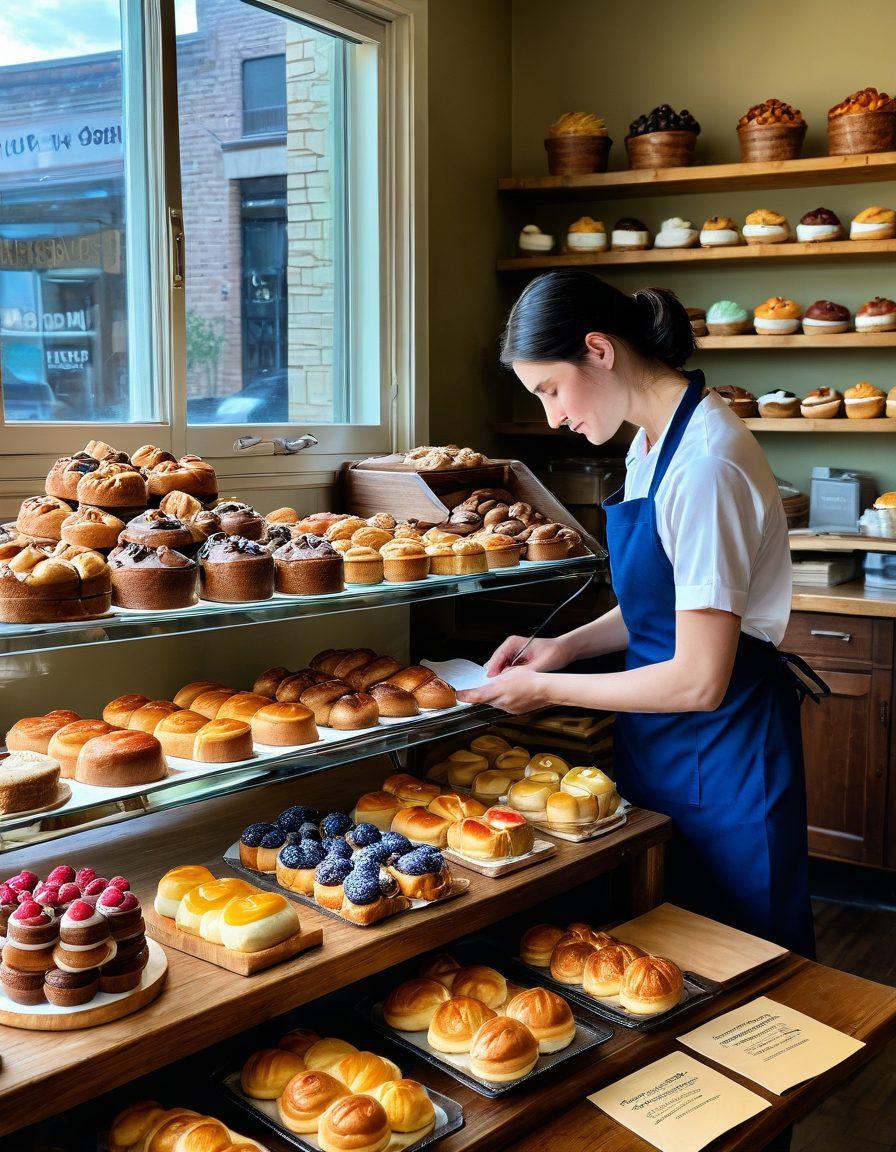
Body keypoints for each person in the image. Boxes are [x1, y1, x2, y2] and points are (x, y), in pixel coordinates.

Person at [458, 269, 815, 957]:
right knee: (663, 954)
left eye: (551, 390)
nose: (553, 417)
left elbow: (697, 679)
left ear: (598, 349)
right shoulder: (651, 445)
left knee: (742, 960)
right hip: (663, 744)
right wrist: (563, 647)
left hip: (728, 745)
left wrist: (546, 689)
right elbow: (658, 604)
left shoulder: (708, 465)